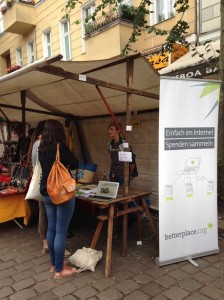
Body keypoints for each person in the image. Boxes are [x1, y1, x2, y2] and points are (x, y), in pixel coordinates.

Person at [39, 119, 79, 279]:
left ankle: (54, 264)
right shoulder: (60, 147)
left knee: (52, 229)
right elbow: (75, 163)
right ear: (58, 132)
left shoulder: (41, 148)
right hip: (61, 193)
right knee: (61, 230)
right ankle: (59, 270)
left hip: (46, 191)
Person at [31, 121, 48, 253]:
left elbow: (33, 164)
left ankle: (45, 243)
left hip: (38, 181)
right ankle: (50, 243)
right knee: (51, 212)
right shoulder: (47, 143)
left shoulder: (36, 143)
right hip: (47, 182)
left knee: (42, 212)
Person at [108, 121, 135, 185]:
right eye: (109, 129)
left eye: (111, 129)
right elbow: (112, 158)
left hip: (122, 175)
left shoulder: (124, 144)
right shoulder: (110, 144)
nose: (109, 131)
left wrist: (129, 174)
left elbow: (132, 160)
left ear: (118, 131)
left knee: (123, 194)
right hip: (113, 174)